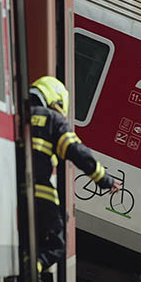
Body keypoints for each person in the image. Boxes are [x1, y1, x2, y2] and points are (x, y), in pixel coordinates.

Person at [28, 76, 117, 271]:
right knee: (56, 245)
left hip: (6, 191)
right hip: (38, 194)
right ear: (55, 101)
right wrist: (105, 180)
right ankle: (31, 271)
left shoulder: (16, 113)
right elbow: (77, 152)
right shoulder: (52, 119)